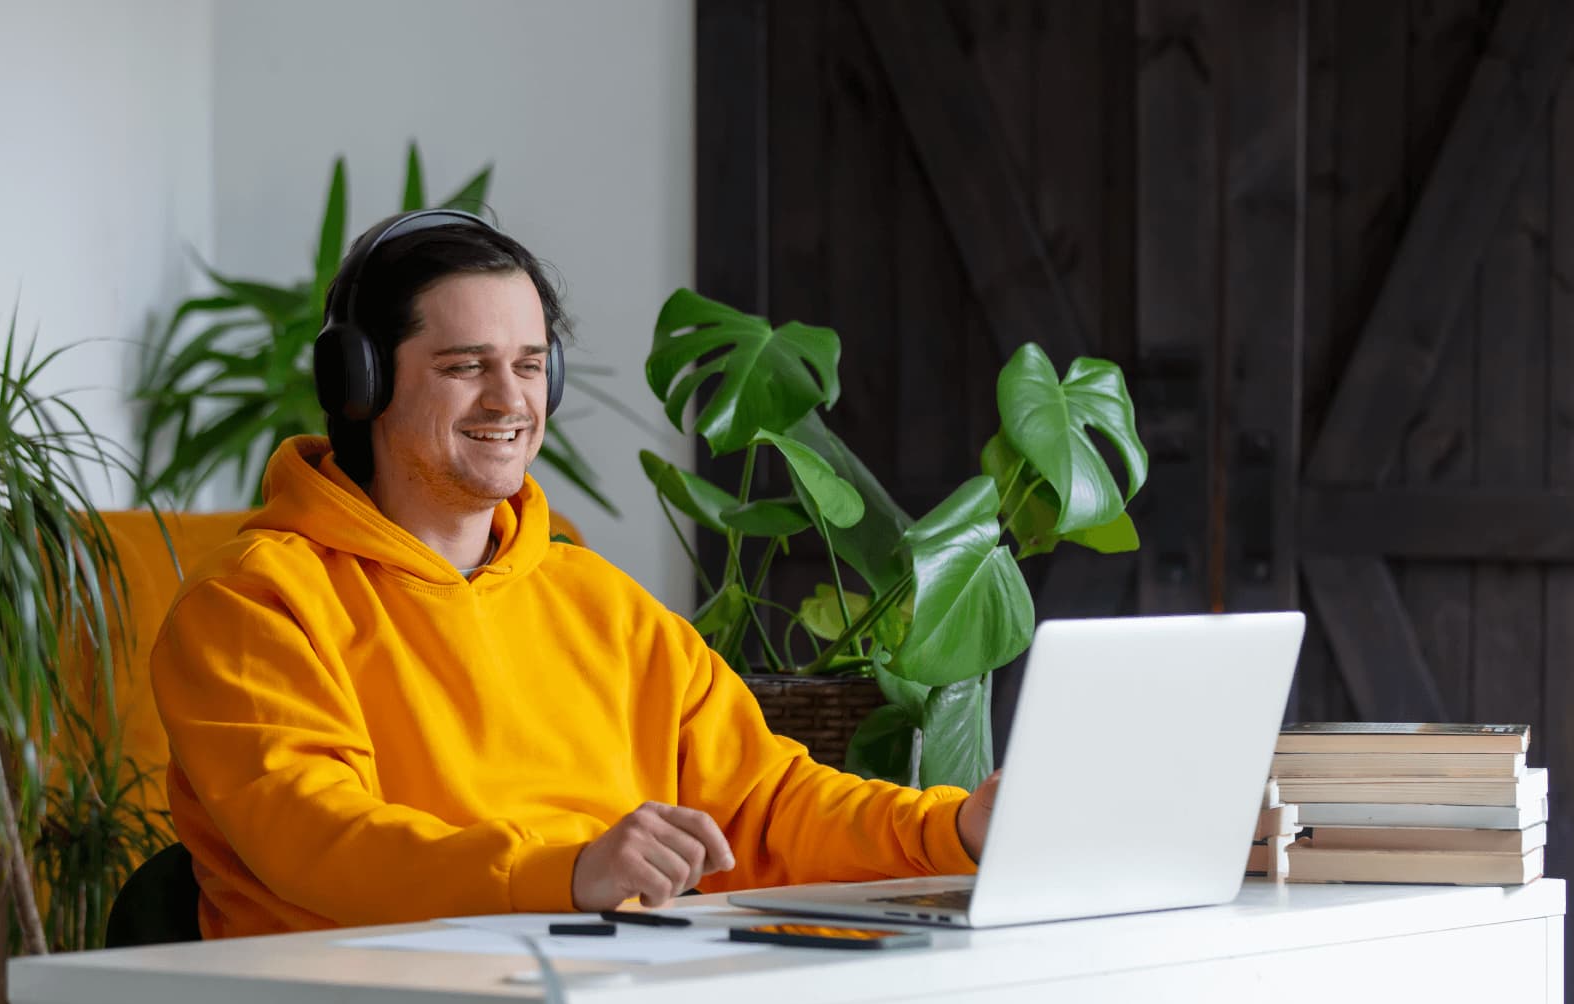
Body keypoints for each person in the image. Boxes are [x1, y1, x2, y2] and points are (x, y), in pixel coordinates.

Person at [151, 210, 1001, 939]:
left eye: (527, 364)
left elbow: (765, 805)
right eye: (463, 366)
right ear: (360, 383)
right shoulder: (254, 604)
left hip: (601, 988)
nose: (508, 401)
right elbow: (326, 844)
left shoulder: (602, 605)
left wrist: (955, 827)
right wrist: (565, 873)